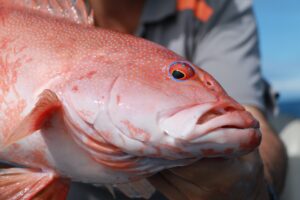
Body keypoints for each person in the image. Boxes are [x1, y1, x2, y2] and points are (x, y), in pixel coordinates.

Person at [69, 0, 287, 199]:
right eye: (179, 74)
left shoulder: (216, 5)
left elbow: (250, 119)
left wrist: (256, 187)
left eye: (179, 74)